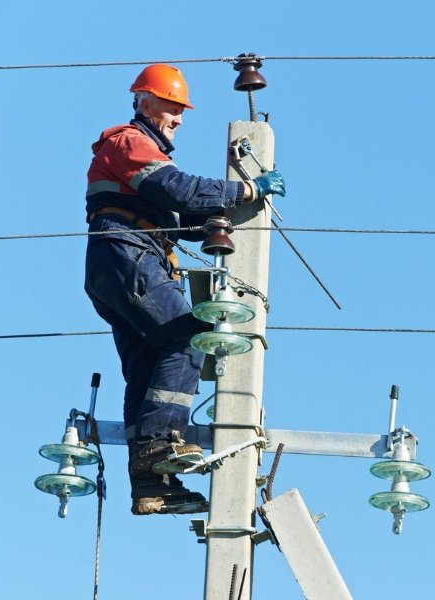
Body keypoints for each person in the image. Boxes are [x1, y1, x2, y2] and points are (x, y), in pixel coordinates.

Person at [83, 64, 285, 515]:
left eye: (181, 110)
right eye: (172, 107)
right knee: (188, 336)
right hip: (128, 254)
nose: (178, 118)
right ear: (144, 101)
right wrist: (247, 189)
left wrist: (220, 214)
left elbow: (181, 214)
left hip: (119, 261)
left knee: (148, 365)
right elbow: (180, 191)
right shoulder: (128, 141)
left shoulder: (139, 157)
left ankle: (150, 484)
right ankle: (159, 444)